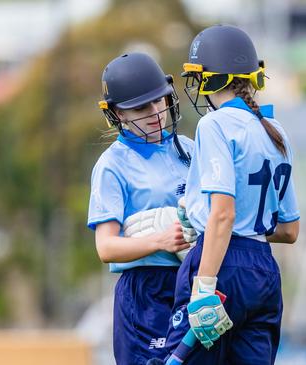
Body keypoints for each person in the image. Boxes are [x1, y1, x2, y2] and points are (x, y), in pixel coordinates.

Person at [164, 24, 301, 364]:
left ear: (213, 78)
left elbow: (222, 215)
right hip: (264, 270)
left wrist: (205, 282)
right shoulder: (275, 130)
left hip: (222, 265)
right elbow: (289, 230)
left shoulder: (214, 124)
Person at [87, 52, 195, 364]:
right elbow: (106, 247)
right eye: (140, 107)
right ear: (117, 114)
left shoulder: (189, 149)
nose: (155, 112)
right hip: (145, 293)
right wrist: (160, 241)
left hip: (192, 284)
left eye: (159, 101)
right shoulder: (112, 165)